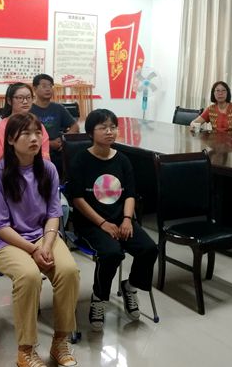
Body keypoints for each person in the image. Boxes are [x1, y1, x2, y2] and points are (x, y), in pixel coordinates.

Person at [0, 113, 79, 367]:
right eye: (26, 134)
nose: (34, 138)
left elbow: (54, 214)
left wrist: (46, 245)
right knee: (29, 276)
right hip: (5, 241)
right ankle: (26, 350)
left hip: (41, 236)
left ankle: (60, 341)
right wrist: (32, 250)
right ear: (11, 140)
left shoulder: (48, 169)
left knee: (69, 271)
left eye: (37, 133)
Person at [66, 108, 158, 332]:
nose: (109, 132)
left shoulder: (123, 160)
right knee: (111, 253)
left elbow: (130, 194)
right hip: (92, 223)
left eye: (113, 127)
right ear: (91, 132)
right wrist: (102, 223)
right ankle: (99, 297)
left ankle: (131, 286)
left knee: (149, 249)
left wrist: (127, 219)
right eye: (103, 128)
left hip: (121, 220)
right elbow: (77, 199)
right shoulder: (81, 160)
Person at [0, 83, 49, 167]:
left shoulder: (38, 126)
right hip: (8, 171)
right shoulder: (0, 128)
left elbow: (45, 157)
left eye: (28, 97)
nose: (25, 101)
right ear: (9, 101)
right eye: (20, 98)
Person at [30, 74, 79, 177]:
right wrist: (48, 143)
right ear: (34, 89)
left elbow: (75, 126)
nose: (48, 89)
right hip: (36, 153)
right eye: (44, 86)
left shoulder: (58, 108)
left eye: (50, 86)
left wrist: (63, 140)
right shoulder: (29, 110)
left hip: (58, 152)